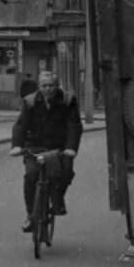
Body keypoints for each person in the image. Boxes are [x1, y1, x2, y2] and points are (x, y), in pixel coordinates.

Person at [9, 72, 82, 233]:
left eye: (51, 85)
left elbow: (73, 125)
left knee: (66, 173)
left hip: (59, 148)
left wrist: (71, 148)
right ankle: (30, 215)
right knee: (31, 176)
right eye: (44, 85)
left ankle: (57, 199)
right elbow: (21, 125)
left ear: (56, 86)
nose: (47, 89)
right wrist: (17, 146)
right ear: (39, 87)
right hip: (35, 146)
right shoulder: (30, 102)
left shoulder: (67, 101)